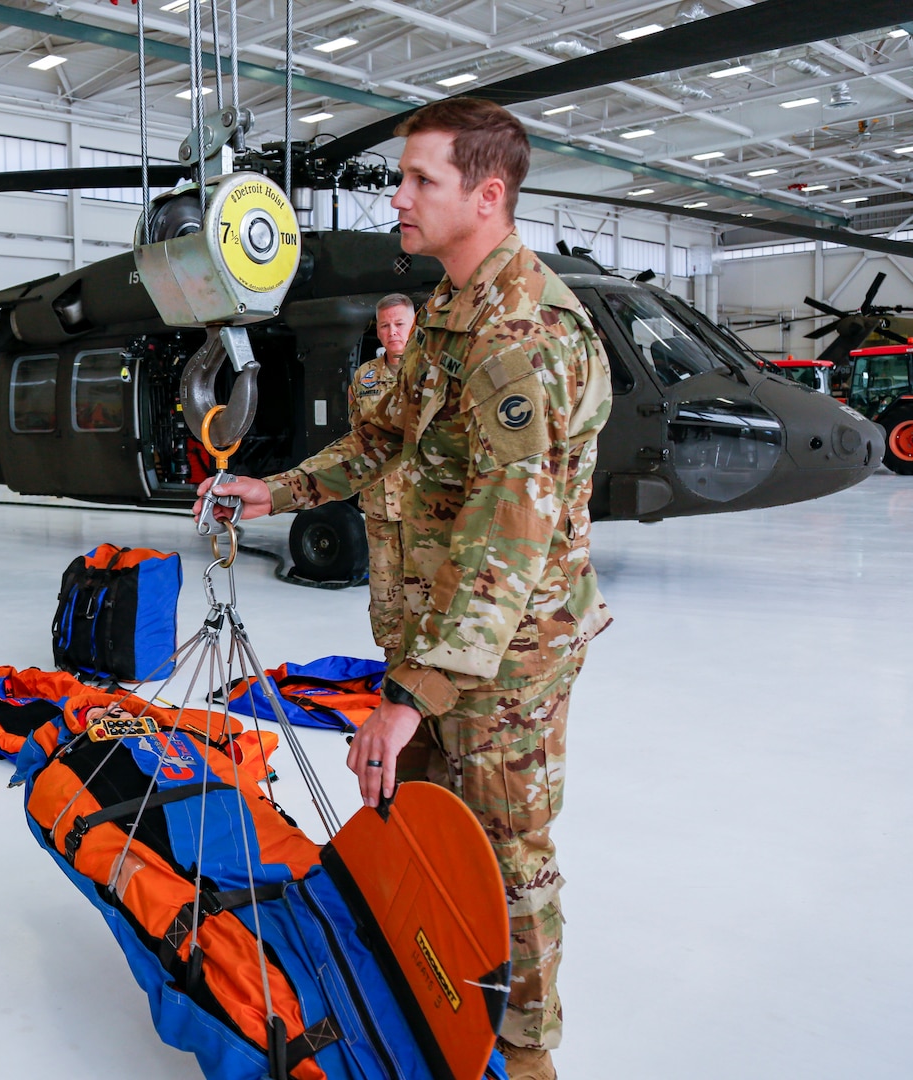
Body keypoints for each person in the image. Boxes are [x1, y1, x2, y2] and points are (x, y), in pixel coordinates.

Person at [196, 98, 613, 1080]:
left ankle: (525, 1057)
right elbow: (382, 445)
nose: (399, 200)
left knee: (508, 859)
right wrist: (275, 489)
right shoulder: (447, 316)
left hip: (502, 661)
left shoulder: (520, 339)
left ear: (488, 193)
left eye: (421, 179)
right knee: (430, 833)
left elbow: (507, 540)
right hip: (435, 638)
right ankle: (434, 1017)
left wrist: (404, 701)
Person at [350, 293, 416, 652]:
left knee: (429, 594)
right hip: (379, 507)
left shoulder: (431, 370)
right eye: (385, 325)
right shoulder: (365, 377)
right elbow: (357, 437)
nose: (393, 332)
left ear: (414, 324)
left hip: (424, 508)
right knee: (385, 597)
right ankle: (394, 670)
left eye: (400, 324)